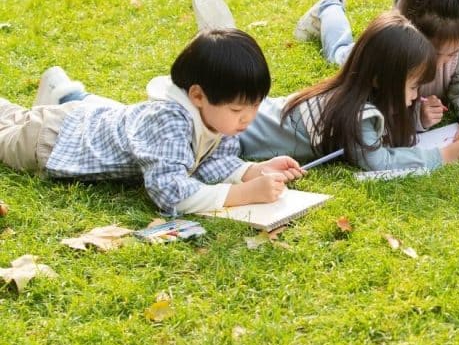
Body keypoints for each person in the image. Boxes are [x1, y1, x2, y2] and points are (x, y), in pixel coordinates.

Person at [0, 29, 304, 216]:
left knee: (12, 116)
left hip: (73, 121)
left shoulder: (217, 119)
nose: (248, 118)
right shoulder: (169, 122)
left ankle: (48, 93)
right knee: (7, 130)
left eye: (255, 106)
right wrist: (243, 194)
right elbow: (169, 193)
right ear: (198, 95)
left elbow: (208, 163)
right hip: (47, 144)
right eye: (239, 109)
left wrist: (252, 171)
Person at [173, 8, 459, 170]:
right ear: (380, 79)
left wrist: (416, 120)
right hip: (239, 131)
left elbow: (379, 135)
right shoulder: (360, 114)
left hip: (256, 114)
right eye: (413, 86)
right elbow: (378, 161)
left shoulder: (357, 94)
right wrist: (443, 155)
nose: (417, 95)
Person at [290, 0, 459, 141]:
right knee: (339, 51)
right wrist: (417, 117)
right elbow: (375, 108)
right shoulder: (387, 57)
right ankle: (329, 6)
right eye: (436, 54)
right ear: (412, 40)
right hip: (374, 48)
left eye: (452, 54)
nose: (442, 63)